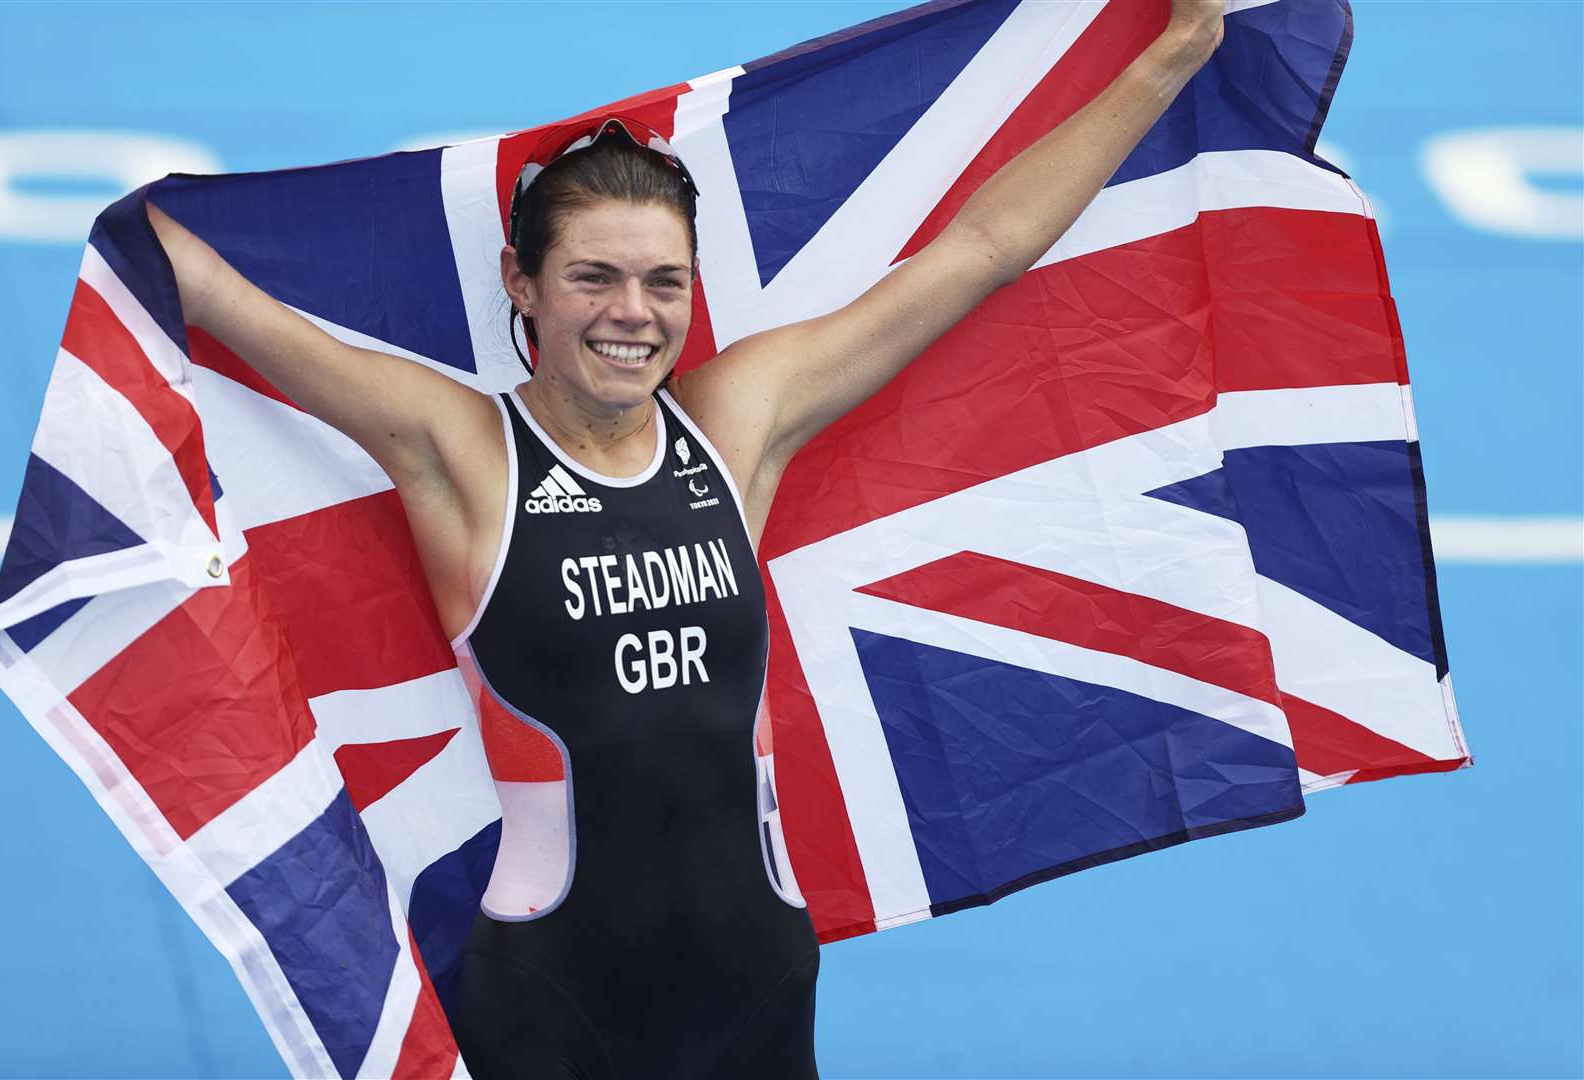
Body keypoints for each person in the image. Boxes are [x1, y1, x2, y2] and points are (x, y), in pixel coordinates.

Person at [145, 3, 1224, 1075]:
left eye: (665, 281)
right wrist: (130, 239)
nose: (634, 313)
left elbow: (984, 248)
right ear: (523, 286)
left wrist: (1174, 56)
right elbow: (216, 295)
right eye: (593, 277)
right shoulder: (465, 454)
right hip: (550, 1001)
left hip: (756, 983)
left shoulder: (736, 425)